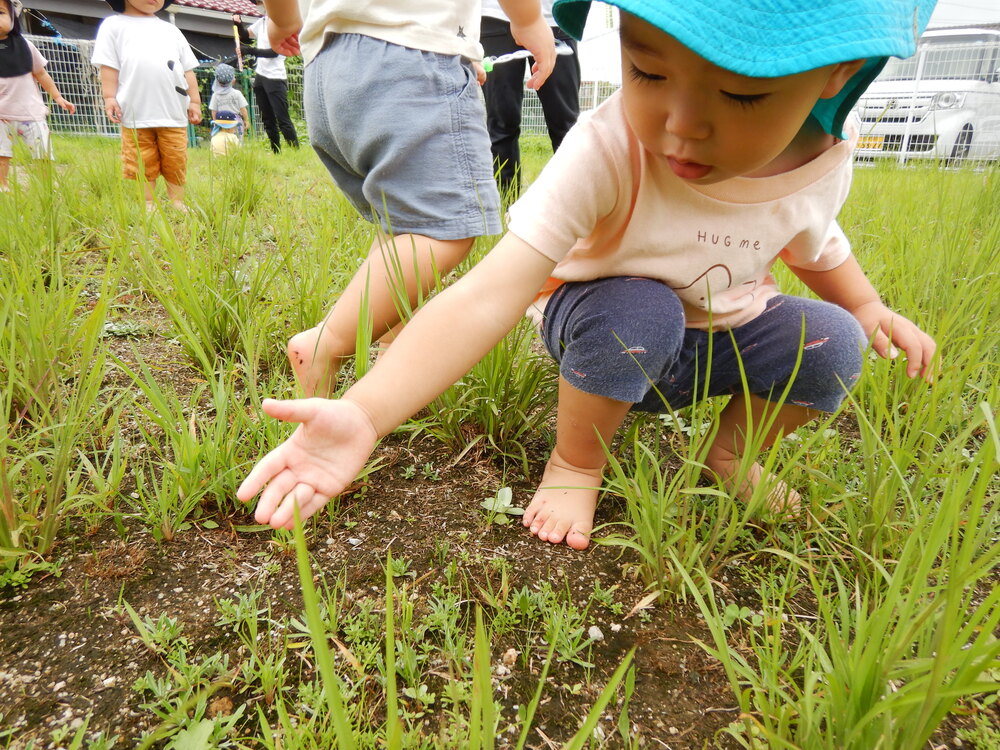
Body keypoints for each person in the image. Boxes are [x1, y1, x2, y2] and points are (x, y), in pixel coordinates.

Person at [238, 0, 938, 553]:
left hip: (722, 337)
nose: (682, 125)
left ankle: (731, 454)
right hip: (606, 327)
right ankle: (575, 464)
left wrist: (869, 306)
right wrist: (365, 411)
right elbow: (489, 294)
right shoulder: (608, 147)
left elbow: (818, 244)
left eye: (740, 95)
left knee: (834, 343)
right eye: (649, 73)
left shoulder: (821, 161)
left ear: (837, 75)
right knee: (642, 310)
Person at [257, 0, 555, 399]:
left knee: (403, 224)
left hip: (326, 72)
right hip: (409, 58)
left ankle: (389, 360)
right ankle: (327, 344)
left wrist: (282, 20)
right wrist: (529, 20)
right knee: (442, 231)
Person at [92, 0, 201, 212]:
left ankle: (177, 201)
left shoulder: (171, 30)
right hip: (134, 112)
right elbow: (109, 66)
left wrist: (195, 101)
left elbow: (188, 69)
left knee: (176, 159)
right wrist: (109, 97)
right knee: (140, 159)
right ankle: (148, 202)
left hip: (173, 112)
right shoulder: (113, 26)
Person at [481, 0, 580, 199]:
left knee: (567, 126)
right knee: (501, 122)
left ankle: (577, 204)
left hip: (557, 15)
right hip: (496, 14)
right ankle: (505, 206)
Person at [0, 0, 75, 192]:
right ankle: (2, 185)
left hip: (32, 114)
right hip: (1, 117)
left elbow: (41, 74)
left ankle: (45, 186)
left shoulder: (25, 46)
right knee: (1, 155)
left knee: (43, 154)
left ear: (13, 17)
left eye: (0, 12)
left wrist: (58, 97)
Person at [233, 2, 298, 153]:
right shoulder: (261, 21)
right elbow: (244, 34)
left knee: (283, 119)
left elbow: (275, 52)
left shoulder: (280, 23)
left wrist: (250, 50)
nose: (259, 5)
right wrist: (238, 23)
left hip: (275, 77)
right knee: (267, 119)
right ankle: (276, 151)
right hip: (260, 75)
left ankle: (295, 151)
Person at [209, 62, 249, 156]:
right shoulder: (237, 93)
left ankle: (221, 154)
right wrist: (246, 120)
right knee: (238, 140)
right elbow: (243, 109)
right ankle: (237, 155)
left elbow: (213, 111)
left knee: (221, 138)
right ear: (232, 80)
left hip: (221, 121)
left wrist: (216, 122)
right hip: (236, 121)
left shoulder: (215, 95)